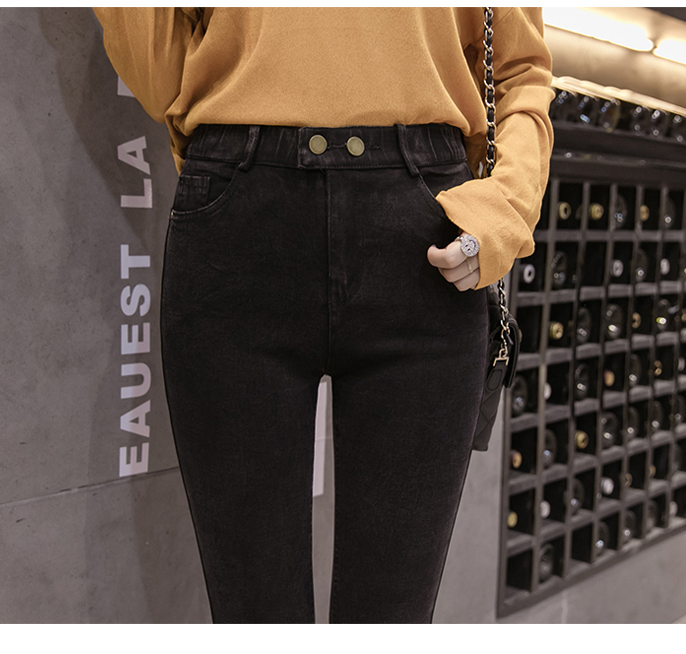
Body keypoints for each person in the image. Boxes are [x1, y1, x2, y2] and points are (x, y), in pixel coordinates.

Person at [93, 7, 554, 624]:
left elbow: (519, 72)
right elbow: (157, 60)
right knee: (253, 618)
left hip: (424, 233)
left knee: (390, 620)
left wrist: (506, 208)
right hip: (240, 217)